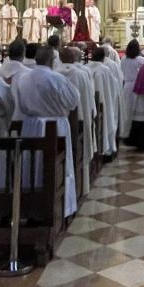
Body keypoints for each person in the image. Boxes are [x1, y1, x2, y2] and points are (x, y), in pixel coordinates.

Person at [14, 45, 80, 215]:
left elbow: (20, 104)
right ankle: (58, 206)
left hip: (31, 126)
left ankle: (30, 204)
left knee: (31, 164)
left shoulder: (23, 78)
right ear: (52, 60)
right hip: (55, 126)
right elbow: (73, 101)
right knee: (57, 166)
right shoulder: (57, 79)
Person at [56, 46, 96, 193]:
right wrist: (91, 114)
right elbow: (89, 99)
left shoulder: (55, 73)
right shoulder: (82, 74)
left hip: (54, 126)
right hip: (78, 122)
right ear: (75, 59)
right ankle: (80, 185)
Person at [88, 45, 122, 158]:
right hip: (105, 102)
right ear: (104, 57)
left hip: (91, 106)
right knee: (108, 119)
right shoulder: (106, 69)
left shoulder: (86, 67)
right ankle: (107, 150)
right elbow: (115, 85)